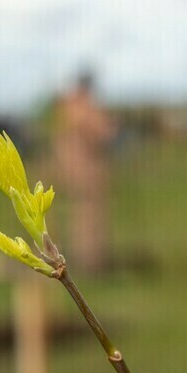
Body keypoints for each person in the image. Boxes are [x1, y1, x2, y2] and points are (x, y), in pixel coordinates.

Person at [53, 72, 117, 273]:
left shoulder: (69, 105)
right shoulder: (81, 106)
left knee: (84, 214)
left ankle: (87, 257)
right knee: (89, 216)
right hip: (85, 170)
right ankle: (90, 260)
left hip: (77, 169)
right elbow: (102, 131)